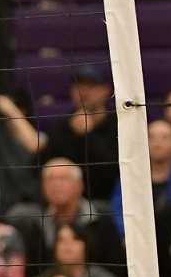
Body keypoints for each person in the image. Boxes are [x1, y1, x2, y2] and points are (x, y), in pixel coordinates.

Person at [6, 158, 124, 277]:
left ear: (80, 185)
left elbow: (116, 269)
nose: (56, 185)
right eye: (50, 179)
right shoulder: (35, 227)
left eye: (63, 179)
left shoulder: (102, 218)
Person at [40, 64, 119, 201]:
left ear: (106, 90)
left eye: (91, 86)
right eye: (78, 86)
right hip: (64, 200)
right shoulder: (63, 125)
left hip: (107, 200)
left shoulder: (118, 124)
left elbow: (114, 171)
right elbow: (42, 164)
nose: (83, 92)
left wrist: (88, 136)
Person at [111, 119, 171, 239]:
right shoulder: (129, 175)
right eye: (151, 137)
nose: (157, 142)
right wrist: (127, 236)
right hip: (135, 239)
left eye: (165, 137)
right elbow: (117, 209)